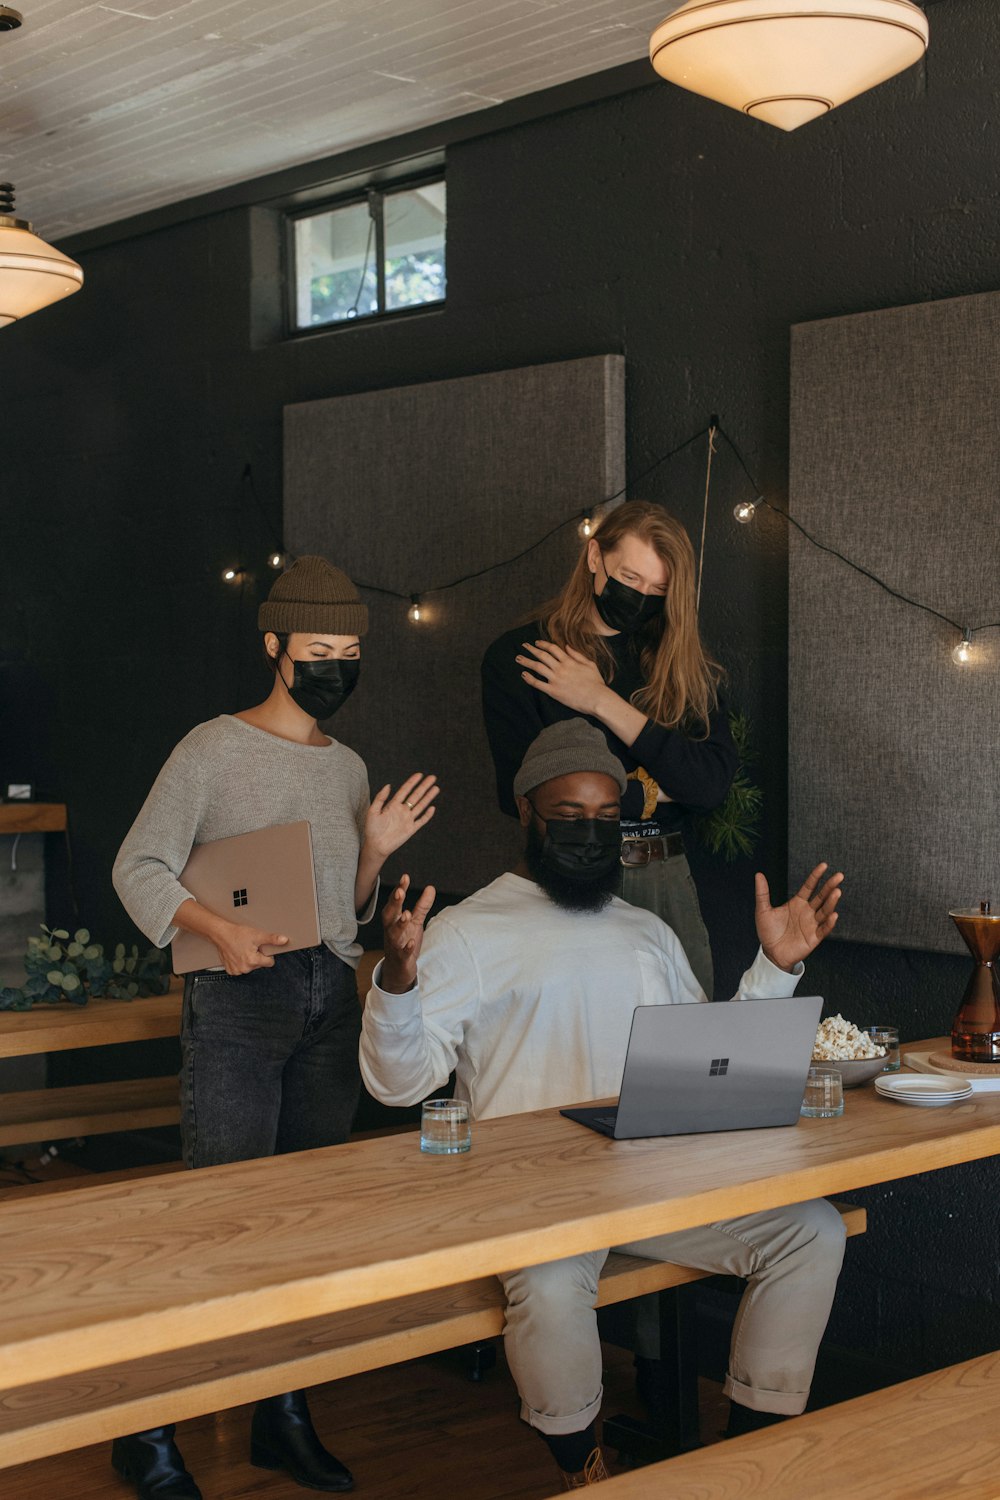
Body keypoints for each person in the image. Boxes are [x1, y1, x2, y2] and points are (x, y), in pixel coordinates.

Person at [360, 719, 845, 1489]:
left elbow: (702, 1051)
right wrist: (397, 981)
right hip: (532, 1196)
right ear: (525, 812)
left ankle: (749, 1453)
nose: (590, 834)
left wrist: (773, 969)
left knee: (813, 1229)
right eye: (569, 817)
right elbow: (396, 1084)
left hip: (651, 1181)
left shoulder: (646, 932)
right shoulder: (463, 932)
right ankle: (586, 1469)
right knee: (551, 1286)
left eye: (606, 819)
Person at [112, 555, 438, 1500]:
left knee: (304, 1228)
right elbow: (139, 867)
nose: (335, 666)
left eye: (348, 652)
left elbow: (348, 910)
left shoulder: (351, 766)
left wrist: (372, 853)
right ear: (274, 648)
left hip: (328, 999)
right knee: (218, 1221)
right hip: (238, 1002)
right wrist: (218, 928)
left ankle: (280, 1415)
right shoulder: (212, 749)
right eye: (318, 650)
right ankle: (148, 1430)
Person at [481, 499, 738, 1002]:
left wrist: (598, 700)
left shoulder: (682, 665)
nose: (641, 597)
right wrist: (654, 789)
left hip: (665, 877)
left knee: (683, 1046)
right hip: (567, 876)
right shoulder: (524, 658)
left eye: (658, 589)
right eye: (630, 577)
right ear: (594, 558)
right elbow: (522, 793)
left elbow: (708, 786)